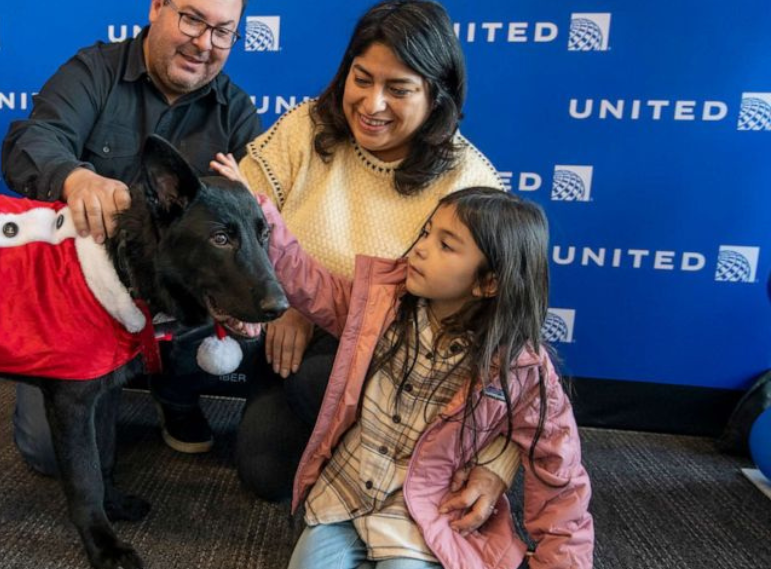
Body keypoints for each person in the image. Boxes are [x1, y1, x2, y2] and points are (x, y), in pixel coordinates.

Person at [211, 164, 595, 568]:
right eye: (427, 232)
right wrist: (255, 213)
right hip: (345, 492)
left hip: (423, 513)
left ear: (489, 283)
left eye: (447, 245)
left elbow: (560, 476)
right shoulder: (381, 305)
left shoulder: (522, 370)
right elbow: (312, 284)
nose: (422, 248)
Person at [230, 0, 521, 515]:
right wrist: (285, 300)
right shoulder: (306, 127)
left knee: (320, 382)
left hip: (402, 364)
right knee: (263, 469)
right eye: (361, 79)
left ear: (437, 95)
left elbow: (510, 339)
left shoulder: (472, 181)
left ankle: (392, 468)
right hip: (293, 336)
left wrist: (498, 459)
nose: (372, 104)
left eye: (399, 89)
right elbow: (241, 213)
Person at [1, 0, 261, 474]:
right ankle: (94, 392)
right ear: (157, 5)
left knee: (253, 295)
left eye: (223, 32)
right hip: (80, 299)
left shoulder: (236, 110)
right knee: (49, 456)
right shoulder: (91, 71)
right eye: (192, 19)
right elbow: (34, 140)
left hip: (176, 303)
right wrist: (74, 176)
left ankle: (178, 395)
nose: (204, 43)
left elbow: (261, 217)